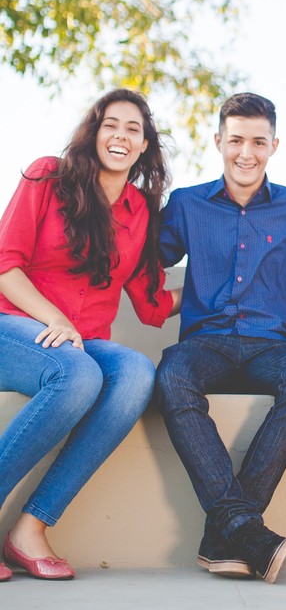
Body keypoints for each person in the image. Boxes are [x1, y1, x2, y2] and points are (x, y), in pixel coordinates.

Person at [0, 89, 178, 581]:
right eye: (111, 125)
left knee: (137, 374)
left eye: (133, 130)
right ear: (94, 131)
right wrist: (54, 318)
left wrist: (229, 286)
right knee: (78, 375)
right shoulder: (47, 176)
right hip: (13, 326)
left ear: (144, 146)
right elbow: (5, 265)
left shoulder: (142, 210)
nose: (121, 136)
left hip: (82, 341)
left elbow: (152, 303)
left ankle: (29, 529)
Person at [155, 92, 286, 585]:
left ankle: (228, 533)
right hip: (204, 343)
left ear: (275, 145)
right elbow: (143, 260)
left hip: (273, 345)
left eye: (258, 141)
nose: (246, 153)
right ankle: (247, 531)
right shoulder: (187, 204)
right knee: (171, 377)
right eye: (236, 140)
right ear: (218, 141)